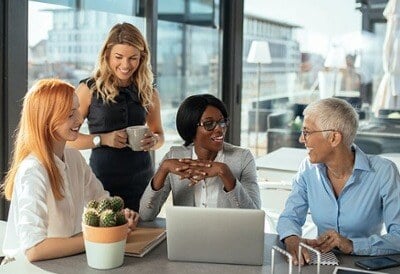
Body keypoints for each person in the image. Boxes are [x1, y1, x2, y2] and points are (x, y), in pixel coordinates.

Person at [2, 79, 139, 262]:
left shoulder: (73, 157)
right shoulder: (33, 171)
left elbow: (101, 201)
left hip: (70, 262)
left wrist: (121, 216)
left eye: (77, 110)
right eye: (70, 114)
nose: (80, 119)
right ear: (46, 120)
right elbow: (34, 249)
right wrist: (100, 238)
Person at [277, 97, 400, 265]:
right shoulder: (308, 169)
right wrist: (291, 239)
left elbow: (398, 236)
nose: (301, 139)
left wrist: (352, 245)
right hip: (322, 264)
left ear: (334, 138)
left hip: (365, 266)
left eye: (306, 132)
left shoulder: (384, 172)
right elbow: (289, 217)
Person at [67, 22, 164, 212]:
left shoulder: (149, 91)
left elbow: (159, 135)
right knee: (106, 237)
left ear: (142, 58)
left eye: (133, 58)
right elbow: (68, 139)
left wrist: (154, 141)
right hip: (101, 182)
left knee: (143, 237)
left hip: (142, 181)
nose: (126, 65)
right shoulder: (89, 89)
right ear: (107, 55)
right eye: (118, 57)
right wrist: (102, 139)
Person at [139, 94, 261, 221]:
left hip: (229, 238)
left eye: (222, 122)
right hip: (189, 237)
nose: (220, 129)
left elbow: (254, 217)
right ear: (191, 128)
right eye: (209, 124)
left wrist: (224, 172)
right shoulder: (175, 157)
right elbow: (146, 214)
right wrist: (163, 169)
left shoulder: (243, 158)